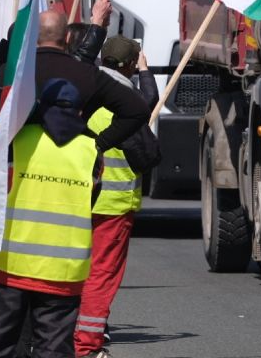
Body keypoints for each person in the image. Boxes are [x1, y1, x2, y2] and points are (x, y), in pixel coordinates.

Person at [0, 79, 100, 358]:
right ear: (80, 112)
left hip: (7, 263)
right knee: (53, 350)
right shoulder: (91, 151)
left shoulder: (16, 139)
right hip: (62, 270)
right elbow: (92, 199)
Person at [75, 37, 159, 358]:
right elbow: (148, 99)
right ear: (129, 65)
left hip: (80, 199)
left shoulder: (87, 96)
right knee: (101, 276)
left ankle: (76, 337)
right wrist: (146, 70)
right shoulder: (130, 102)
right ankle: (88, 346)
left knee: (78, 273)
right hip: (114, 206)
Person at [32, 10, 149, 153]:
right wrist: (97, 145)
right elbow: (138, 110)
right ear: (68, 37)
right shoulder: (89, 75)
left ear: (34, 37)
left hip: (22, 164)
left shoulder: (15, 73)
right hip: (75, 165)